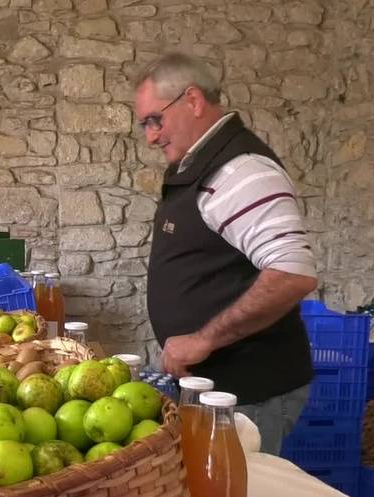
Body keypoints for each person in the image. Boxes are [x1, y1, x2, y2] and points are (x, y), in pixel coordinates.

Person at [135, 52, 318, 453]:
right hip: (220, 392)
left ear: (193, 101)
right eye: (145, 124)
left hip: (248, 394)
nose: (150, 136)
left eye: (154, 120)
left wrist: (204, 338)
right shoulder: (201, 166)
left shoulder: (242, 171)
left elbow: (292, 274)